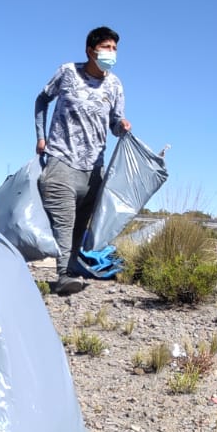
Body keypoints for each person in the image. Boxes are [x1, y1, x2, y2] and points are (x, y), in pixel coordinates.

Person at [34, 26, 129, 296]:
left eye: (115, 49)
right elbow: (42, 99)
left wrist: (121, 126)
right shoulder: (67, 72)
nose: (111, 53)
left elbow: (114, 123)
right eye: (107, 48)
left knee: (79, 225)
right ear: (90, 50)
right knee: (64, 221)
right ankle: (63, 274)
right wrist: (41, 136)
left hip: (94, 168)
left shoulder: (115, 85)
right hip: (61, 158)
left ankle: (71, 265)